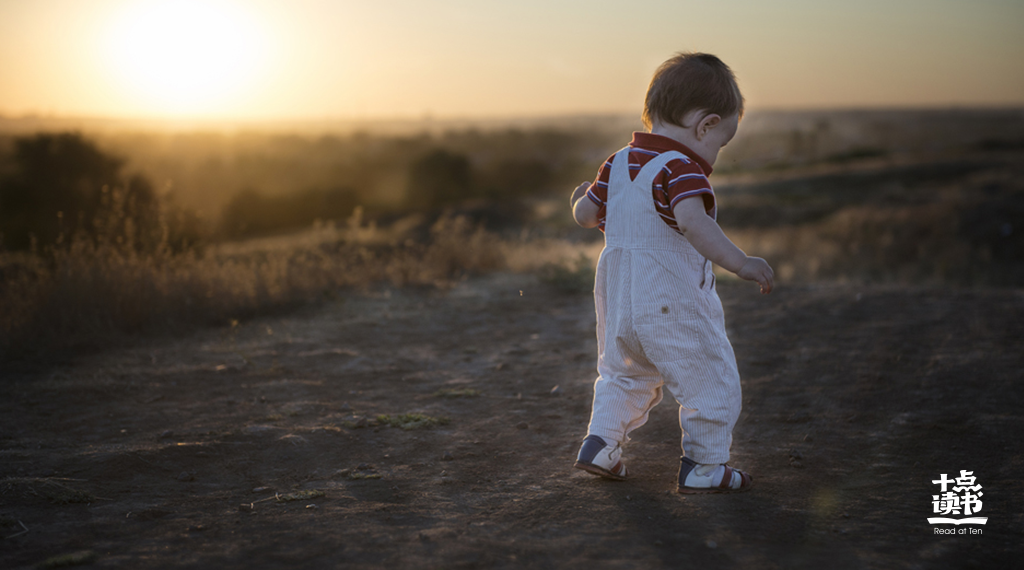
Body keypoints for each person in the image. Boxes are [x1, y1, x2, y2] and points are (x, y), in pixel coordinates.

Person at [569, 52, 773, 494]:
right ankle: (704, 465)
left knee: (624, 373)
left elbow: (586, 215)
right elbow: (694, 223)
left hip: (620, 297)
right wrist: (741, 262)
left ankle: (601, 443)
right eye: (720, 141)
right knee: (710, 377)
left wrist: (579, 197)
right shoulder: (681, 168)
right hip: (671, 299)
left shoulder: (617, 162)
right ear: (705, 124)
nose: (715, 154)